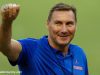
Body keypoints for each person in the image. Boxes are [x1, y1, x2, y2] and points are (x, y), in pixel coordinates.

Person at [0, 3, 89, 75]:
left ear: (75, 26)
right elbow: (5, 46)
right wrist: (7, 23)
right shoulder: (31, 48)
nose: (64, 30)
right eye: (58, 23)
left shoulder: (79, 53)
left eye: (69, 24)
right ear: (47, 24)